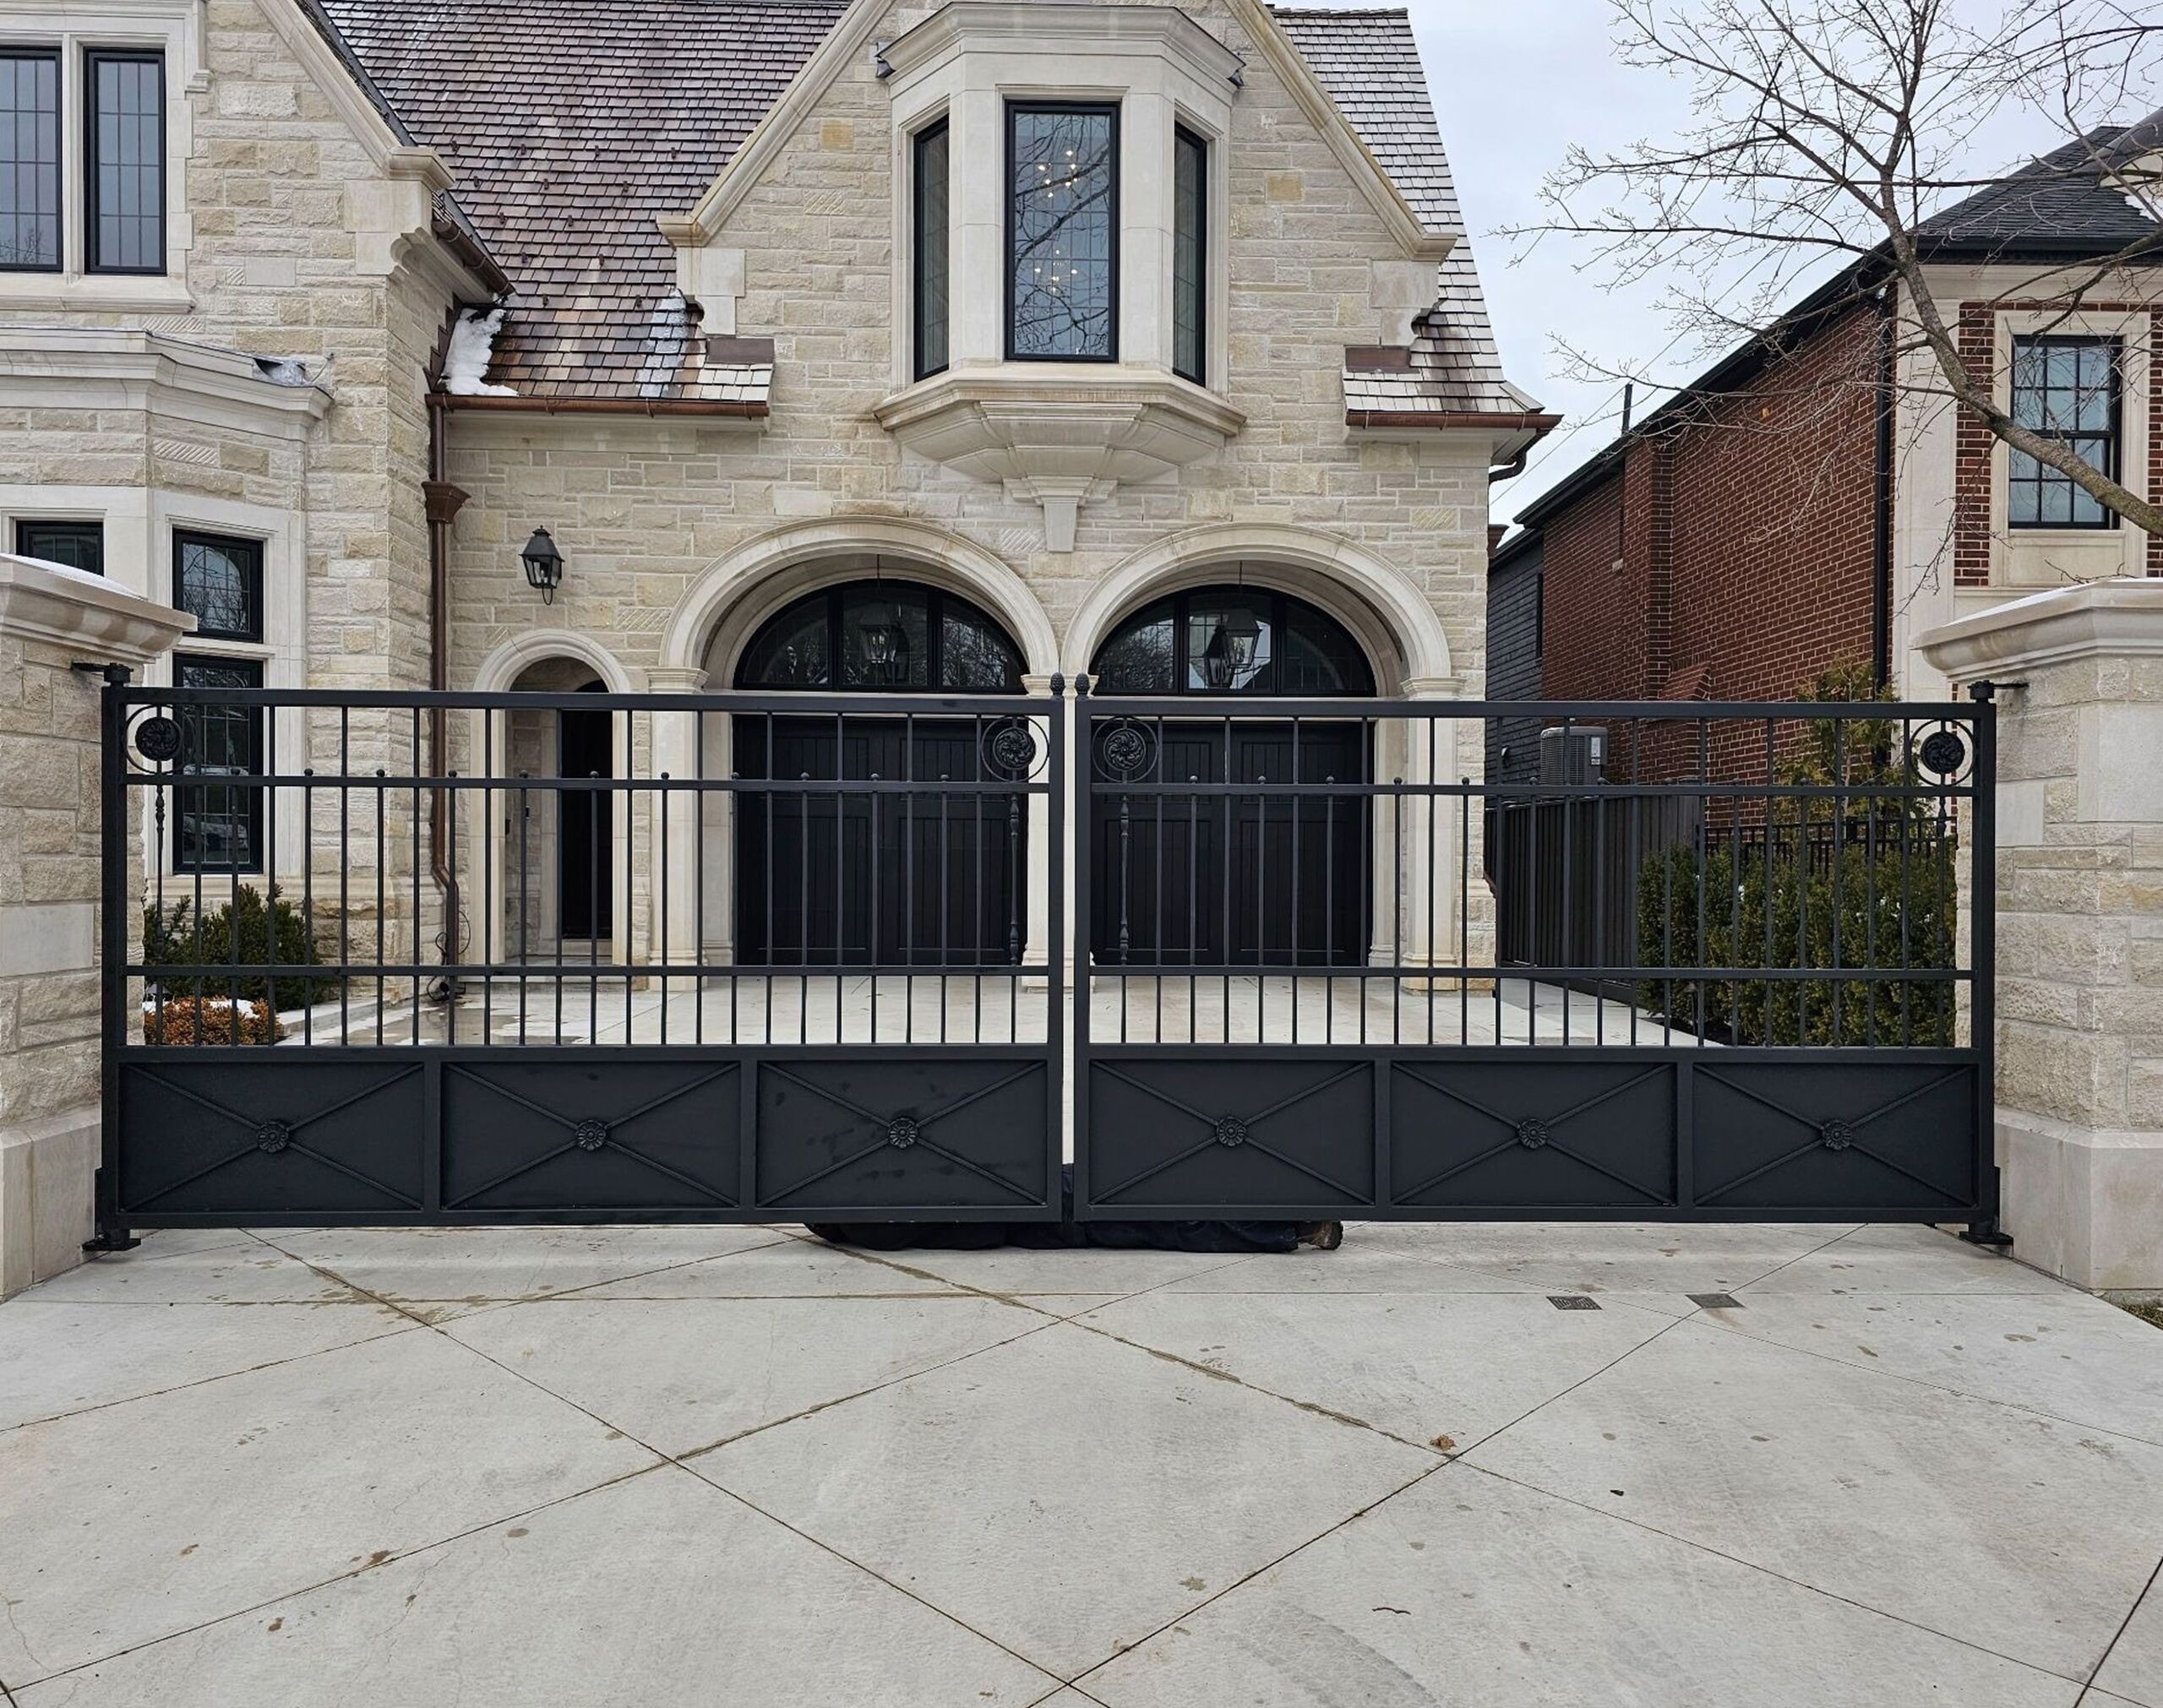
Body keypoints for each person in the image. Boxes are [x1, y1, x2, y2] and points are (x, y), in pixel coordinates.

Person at [806, 1167, 1343, 1254]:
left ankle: (1285, 1222)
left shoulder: (860, 1210)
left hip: (1026, 1196)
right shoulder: (861, 1218)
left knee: (1155, 1206)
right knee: (1161, 1217)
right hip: (1031, 1211)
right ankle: (1286, 1229)